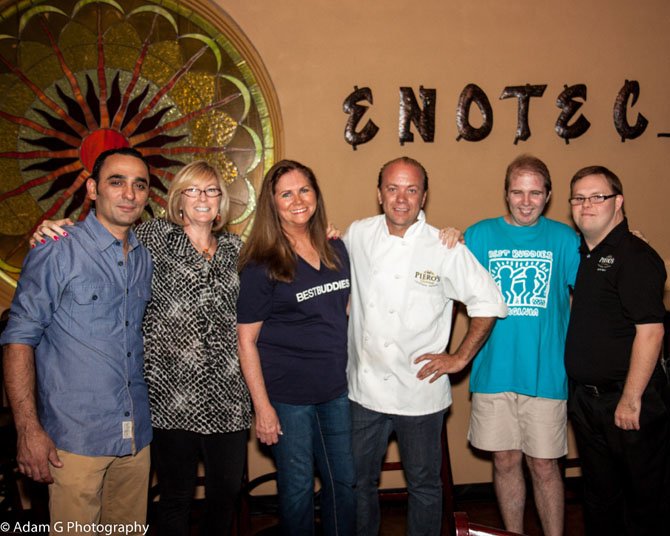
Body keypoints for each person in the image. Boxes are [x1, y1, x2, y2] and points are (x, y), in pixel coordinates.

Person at [32, 160, 252, 535]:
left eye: (211, 190)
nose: (203, 198)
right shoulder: (151, 238)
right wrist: (46, 229)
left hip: (229, 396)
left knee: (226, 492)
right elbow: (100, 234)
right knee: (175, 496)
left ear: (221, 202)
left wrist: (322, 235)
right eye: (193, 190)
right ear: (178, 200)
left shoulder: (239, 249)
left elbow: (281, 271)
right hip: (169, 397)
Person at [345, 156, 508, 536]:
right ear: (379, 193)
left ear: (424, 196)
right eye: (393, 188)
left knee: (424, 486)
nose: (401, 198)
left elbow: (489, 302)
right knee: (358, 485)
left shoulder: (444, 246)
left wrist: (460, 358)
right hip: (364, 391)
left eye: (411, 189)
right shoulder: (358, 234)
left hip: (420, 391)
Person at [1, 147, 153, 533]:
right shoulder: (57, 248)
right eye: (116, 182)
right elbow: (18, 339)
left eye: (139, 185)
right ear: (92, 189)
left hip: (134, 436)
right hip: (74, 438)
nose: (128, 193)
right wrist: (28, 429)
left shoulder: (143, 258)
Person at [236, 160, 355, 535]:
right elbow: (246, 340)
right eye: (286, 194)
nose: (297, 200)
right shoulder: (262, 264)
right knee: (298, 489)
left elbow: (346, 314)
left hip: (335, 392)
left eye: (304, 190)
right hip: (288, 398)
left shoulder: (337, 250)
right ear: (273, 204)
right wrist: (263, 408)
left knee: (344, 483)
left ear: (316, 195)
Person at [464, 155, 580, 536]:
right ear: (506, 194)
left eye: (535, 193)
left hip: (546, 372)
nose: (526, 201)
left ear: (547, 196)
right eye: (518, 192)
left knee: (545, 465)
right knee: (504, 460)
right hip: (493, 372)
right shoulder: (478, 236)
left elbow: (595, 294)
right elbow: (443, 285)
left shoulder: (565, 239)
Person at [564, 166, 669, 536]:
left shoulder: (634, 256)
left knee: (644, 502)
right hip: (587, 404)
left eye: (597, 197)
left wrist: (630, 398)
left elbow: (651, 331)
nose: (586, 204)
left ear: (618, 202)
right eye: (578, 198)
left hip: (626, 403)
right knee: (599, 497)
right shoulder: (585, 255)